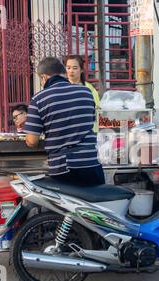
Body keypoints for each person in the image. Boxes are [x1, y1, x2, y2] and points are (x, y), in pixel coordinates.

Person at [23, 57, 105, 186]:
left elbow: (32, 141)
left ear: (44, 77)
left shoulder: (38, 99)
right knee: (95, 202)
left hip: (63, 166)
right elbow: (90, 121)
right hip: (90, 161)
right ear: (63, 73)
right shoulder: (86, 92)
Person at [63, 55, 101, 133]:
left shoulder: (89, 88)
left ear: (81, 70)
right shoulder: (62, 87)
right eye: (68, 68)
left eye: (75, 68)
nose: (71, 71)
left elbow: (96, 109)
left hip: (88, 130)